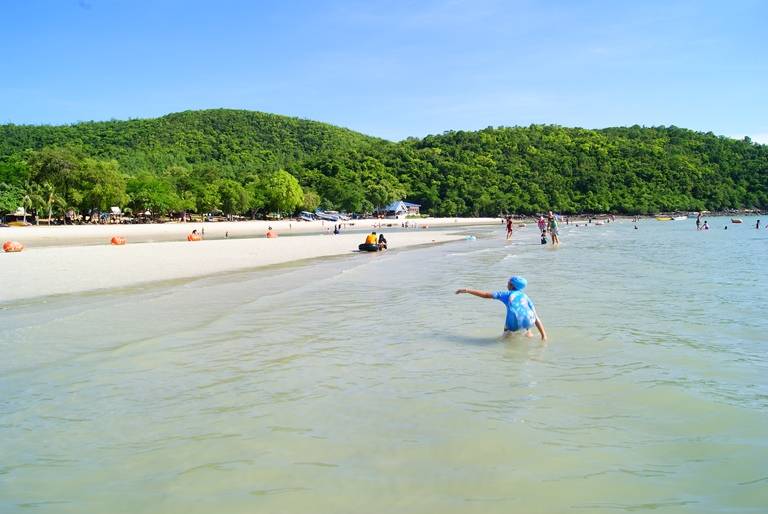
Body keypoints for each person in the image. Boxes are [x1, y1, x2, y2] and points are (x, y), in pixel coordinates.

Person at [455, 276, 547, 340]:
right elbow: (536, 318)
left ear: (511, 285)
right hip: (529, 322)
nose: (506, 285)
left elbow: (486, 295)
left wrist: (467, 290)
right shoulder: (526, 297)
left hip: (513, 325)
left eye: (508, 283)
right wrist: (544, 336)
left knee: (506, 338)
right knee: (526, 324)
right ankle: (530, 335)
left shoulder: (507, 294)